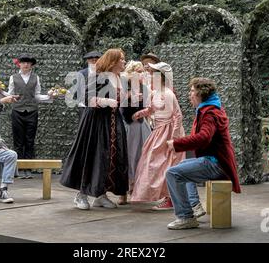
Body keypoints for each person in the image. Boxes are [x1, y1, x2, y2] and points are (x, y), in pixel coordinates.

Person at [165, 77, 241, 229]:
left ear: (201, 93)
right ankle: (194, 205)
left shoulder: (209, 113)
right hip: (217, 161)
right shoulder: (210, 109)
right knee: (181, 166)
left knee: (172, 173)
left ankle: (186, 217)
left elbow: (204, 137)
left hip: (216, 163)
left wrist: (176, 144)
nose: (189, 94)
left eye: (192, 91)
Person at [60, 48, 128, 210]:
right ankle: (81, 195)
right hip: (95, 122)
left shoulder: (119, 78)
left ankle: (101, 194)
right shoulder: (97, 76)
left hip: (113, 121)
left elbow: (121, 99)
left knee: (110, 157)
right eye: (122, 59)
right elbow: (83, 96)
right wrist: (103, 101)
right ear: (113, 61)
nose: (124, 61)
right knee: (92, 155)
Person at [130, 62, 185, 210]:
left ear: (161, 77)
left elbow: (177, 116)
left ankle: (170, 198)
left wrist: (173, 138)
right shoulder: (155, 93)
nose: (150, 77)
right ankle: (158, 195)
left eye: (154, 75)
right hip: (158, 131)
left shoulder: (168, 94)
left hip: (168, 131)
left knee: (166, 164)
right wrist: (138, 114)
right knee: (152, 163)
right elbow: (151, 109)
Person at [8, 54, 53, 179]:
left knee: (29, 141)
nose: (26, 65)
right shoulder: (13, 78)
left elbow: (37, 96)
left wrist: (49, 97)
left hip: (32, 112)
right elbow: (10, 95)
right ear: (19, 64)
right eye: (23, 62)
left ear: (31, 65)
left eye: (28, 63)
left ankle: (28, 169)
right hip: (17, 111)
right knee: (18, 141)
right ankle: (17, 169)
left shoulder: (35, 78)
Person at [118, 60, 152, 205]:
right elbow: (121, 107)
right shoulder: (124, 86)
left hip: (141, 125)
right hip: (128, 125)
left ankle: (136, 190)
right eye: (137, 71)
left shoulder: (144, 88)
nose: (140, 74)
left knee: (141, 156)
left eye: (141, 71)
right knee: (127, 156)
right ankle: (122, 192)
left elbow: (148, 107)